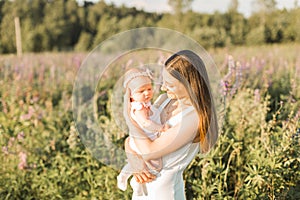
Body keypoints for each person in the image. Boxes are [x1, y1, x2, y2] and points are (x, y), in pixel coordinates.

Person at [123, 50, 219, 200]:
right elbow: (133, 138)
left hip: (164, 194)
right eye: (163, 81)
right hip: (144, 191)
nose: (162, 88)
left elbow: (149, 151)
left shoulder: (193, 118)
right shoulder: (165, 100)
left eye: (170, 85)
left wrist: (128, 117)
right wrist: (133, 158)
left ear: (189, 85)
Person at [117, 68, 169, 195]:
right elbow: (146, 123)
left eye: (149, 89)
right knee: (151, 165)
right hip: (141, 139)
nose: (147, 93)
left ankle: (134, 182)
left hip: (146, 138)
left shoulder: (145, 103)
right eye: (141, 91)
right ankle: (125, 177)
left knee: (145, 163)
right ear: (131, 95)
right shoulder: (139, 107)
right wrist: (161, 128)